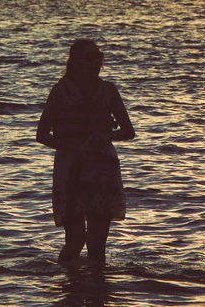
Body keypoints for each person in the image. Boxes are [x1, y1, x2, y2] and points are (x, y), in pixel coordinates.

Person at [36, 39, 135, 265]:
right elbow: (41, 134)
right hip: (70, 168)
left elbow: (129, 131)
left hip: (102, 168)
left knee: (98, 246)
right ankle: (66, 281)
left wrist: (106, 136)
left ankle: (97, 284)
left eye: (98, 57)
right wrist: (74, 149)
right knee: (75, 240)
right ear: (75, 62)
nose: (95, 62)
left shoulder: (108, 90)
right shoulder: (61, 91)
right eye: (88, 57)